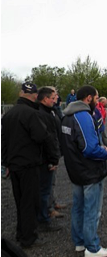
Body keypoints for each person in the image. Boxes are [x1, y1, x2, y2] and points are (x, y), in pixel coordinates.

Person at [1, 82, 56, 248]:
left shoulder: (8, 115)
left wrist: (5, 162)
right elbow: (42, 136)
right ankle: (28, 237)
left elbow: (3, 142)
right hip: (29, 163)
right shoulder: (32, 114)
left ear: (20, 93)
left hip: (14, 164)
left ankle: (21, 232)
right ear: (34, 96)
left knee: (20, 200)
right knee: (30, 201)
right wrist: (53, 158)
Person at [60, 85, 107, 257]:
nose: (97, 102)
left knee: (78, 208)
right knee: (92, 209)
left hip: (75, 170)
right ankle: (92, 248)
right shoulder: (83, 116)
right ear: (89, 98)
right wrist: (106, 151)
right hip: (89, 171)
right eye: (97, 99)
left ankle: (80, 242)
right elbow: (90, 148)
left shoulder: (66, 116)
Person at [36, 87, 64, 227]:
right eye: (53, 97)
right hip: (46, 158)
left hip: (52, 154)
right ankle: (44, 216)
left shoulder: (51, 111)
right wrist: (52, 159)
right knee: (44, 189)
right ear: (45, 98)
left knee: (49, 185)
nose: (55, 100)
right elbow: (48, 138)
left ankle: (49, 207)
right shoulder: (42, 114)